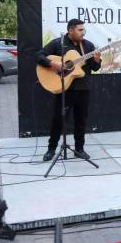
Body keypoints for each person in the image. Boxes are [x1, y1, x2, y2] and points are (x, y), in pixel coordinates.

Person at [36, 19, 101, 161]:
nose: (82, 32)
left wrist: (96, 60)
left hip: (83, 88)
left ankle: (79, 149)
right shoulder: (58, 43)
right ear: (70, 30)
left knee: (81, 120)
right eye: (79, 30)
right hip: (64, 89)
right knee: (58, 120)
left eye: (83, 30)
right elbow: (39, 55)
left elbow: (95, 68)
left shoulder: (88, 45)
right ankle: (51, 149)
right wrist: (53, 64)